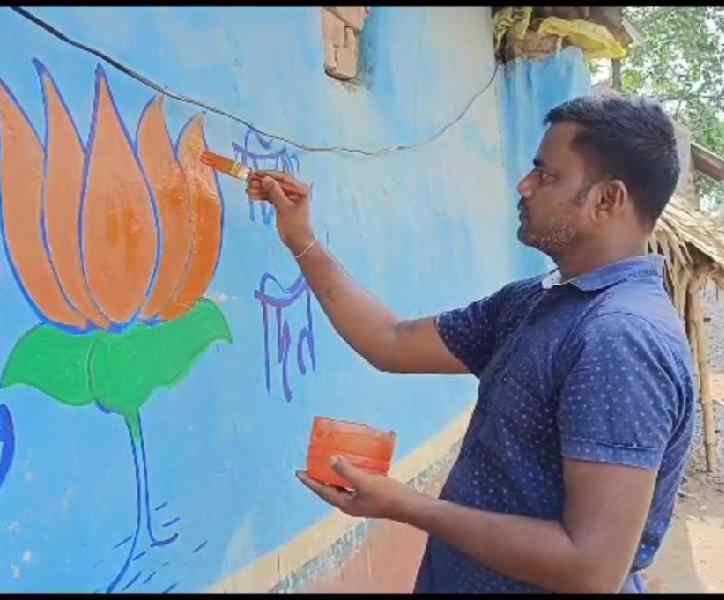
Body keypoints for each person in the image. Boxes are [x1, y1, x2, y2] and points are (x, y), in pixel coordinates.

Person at [245, 93, 695, 594]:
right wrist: (301, 238)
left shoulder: (620, 338)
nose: (524, 186)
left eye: (546, 175)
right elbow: (391, 342)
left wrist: (405, 505)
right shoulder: (535, 302)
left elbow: (591, 567)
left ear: (607, 200)